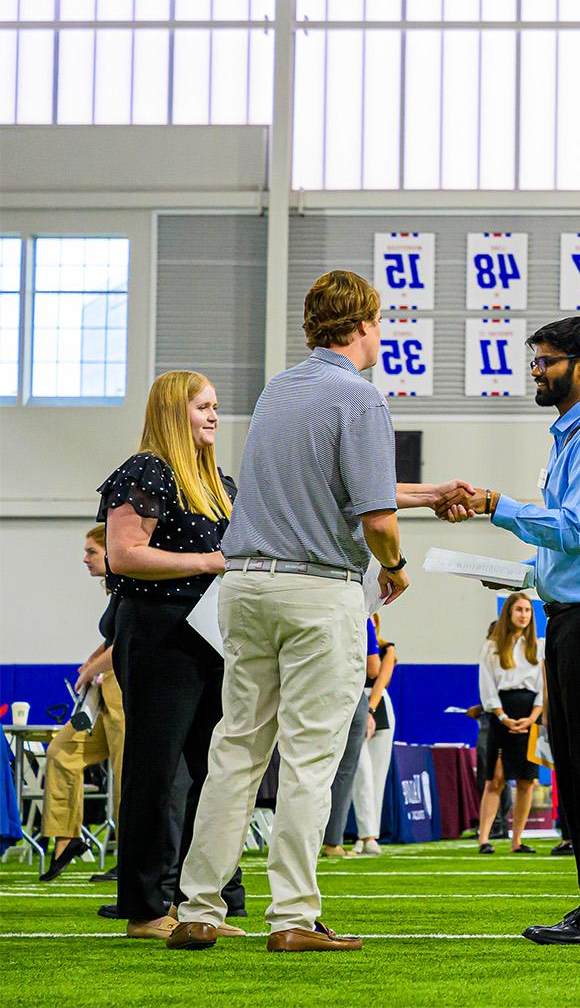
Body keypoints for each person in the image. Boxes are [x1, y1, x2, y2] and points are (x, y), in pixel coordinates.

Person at [169, 274, 466, 953]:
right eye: (381, 319)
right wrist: (392, 565)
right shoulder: (361, 398)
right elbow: (375, 516)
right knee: (309, 756)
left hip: (244, 584)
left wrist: (431, 493)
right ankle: (293, 915)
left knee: (235, 749)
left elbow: (339, 483)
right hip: (316, 590)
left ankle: (198, 907)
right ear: (363, 323)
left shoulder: (281, 389)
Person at [450, 315, 580, 945]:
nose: (536, 371)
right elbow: (577, 550)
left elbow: (574, 529)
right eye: (535, 360)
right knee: (575, 766)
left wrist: (497, 505)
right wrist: (518, 573)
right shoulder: (572, 438)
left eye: (546, 361)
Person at [101, 371, 246, 940]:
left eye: (215, 406)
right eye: (202, 406)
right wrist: (210, 563)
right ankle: (144, 906)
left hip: (214, 633)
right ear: (172, 411)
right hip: (160, 633)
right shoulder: (145, 472)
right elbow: (124, 555)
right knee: (157, 771)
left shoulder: (220, 484)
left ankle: (205, 902)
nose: (213, 415)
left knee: (217, 772)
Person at [39, 525, 126, 883]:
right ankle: (66, 840)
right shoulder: (115, 589)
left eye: (91, 552)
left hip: (126, 689)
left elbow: (128, 644)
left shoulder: (132, 584)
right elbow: (112, 638)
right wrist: (91, 663)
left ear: (110, 552)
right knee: (62, 751)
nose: (85, 558)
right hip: (106, 692)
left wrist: (92, 669)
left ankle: (133, 856)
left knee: (127, 774)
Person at [476, 593, 545, 855]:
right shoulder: (492, 647)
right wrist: (503, 716)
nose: (524, 615)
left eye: (527, 610)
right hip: (501, 712)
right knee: (496, 778)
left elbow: (541, 687)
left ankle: (517, 840)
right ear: (509, 613)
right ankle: (484, 838)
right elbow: (487, 685)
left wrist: (532, 716)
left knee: (527, 780)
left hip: (530, 713)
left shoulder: (537, 646)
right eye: (519, 609)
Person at [320, 610, 379, 861]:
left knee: (305, 766)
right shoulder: (361, 613)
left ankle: (300, 842)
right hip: (349, 691)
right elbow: (373, 667)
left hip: (311, 686)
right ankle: (332, 842)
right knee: (344, 772)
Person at [352, 614, 396, 855]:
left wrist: (370, 709)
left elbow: (380, 681)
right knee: (362, 774)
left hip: (378, 706)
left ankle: (370, 835)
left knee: (377, 776)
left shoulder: (387, 649)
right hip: (355, 702)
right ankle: (364, 833)